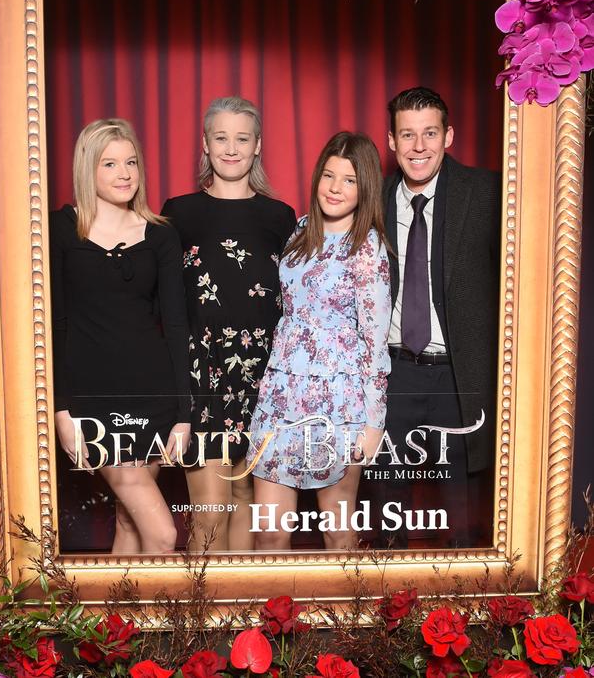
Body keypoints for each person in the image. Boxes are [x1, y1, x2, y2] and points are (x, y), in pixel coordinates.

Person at [50, 118, 191, 555]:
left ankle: (120, 624)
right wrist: (60, 410)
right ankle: (158, 623)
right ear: (87, 169)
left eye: (131, 162)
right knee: (164, 535)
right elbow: (53, 325)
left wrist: (184, 413)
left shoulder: (161, 234)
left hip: (155, 394)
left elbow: (177, 326)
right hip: (93, 401)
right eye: (110, 164)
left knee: (130, 523)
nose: (125, 173)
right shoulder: (59, 230)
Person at [162, 97, 296, 552]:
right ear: (205, 143)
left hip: (266, 376)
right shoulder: (177, 213)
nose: (232, 148)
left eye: (242, 138)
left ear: (258, 146)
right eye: (221, 137)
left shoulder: (280, 217)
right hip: (203, 376)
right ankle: (204, 621)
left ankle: (240, 617)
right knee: (209, 513)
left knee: (245, 498)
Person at [248, 132, 391, 551]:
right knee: (270, 531)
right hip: (281, 396)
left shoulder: (368, 249)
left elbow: (376, 345)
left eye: (349, 180)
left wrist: (373, 424)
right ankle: (269, 617)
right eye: (328, 175)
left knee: (338, 531)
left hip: (340, 406)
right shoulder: (301, 230)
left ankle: (345, 618)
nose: (334, 188)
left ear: (365, 187)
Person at [377, 86, 500, 547]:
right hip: (392, 375)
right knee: (387, 509)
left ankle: (465, 614)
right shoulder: (374, 198)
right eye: (407, 135)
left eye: (430, 133)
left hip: (458, 377)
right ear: (392, 142)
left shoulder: (487, 192)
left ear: (449, 135)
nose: (419, 146)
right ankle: (391, 612)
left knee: (461, 517)